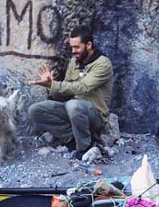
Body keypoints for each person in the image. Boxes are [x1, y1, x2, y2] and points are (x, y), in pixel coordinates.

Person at [28, 26, 113, 158]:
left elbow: (82, 87)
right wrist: (49, 85)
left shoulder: (103, 64)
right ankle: (72, 140)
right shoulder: (74, 61)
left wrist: (54, 85)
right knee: (35, 110)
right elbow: (66, 90)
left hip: (95, 115)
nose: (73, 51)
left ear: (89, 45)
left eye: (77, 47)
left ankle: (84, 148)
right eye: (72, 47)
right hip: (72, 110)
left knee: (73, 105)